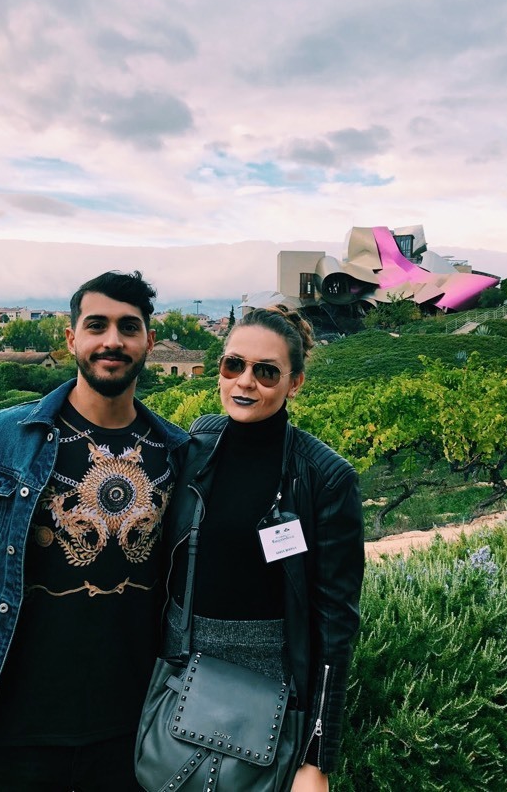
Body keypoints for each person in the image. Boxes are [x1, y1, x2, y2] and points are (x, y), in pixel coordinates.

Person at [0, 271, 188, 792]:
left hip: (136, 733)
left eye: (128, 327)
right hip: (13, 730)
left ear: (149, 342)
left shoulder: (178, 455)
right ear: (72, 338)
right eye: (97, 325)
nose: (112, 340)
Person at [162, 306, 364, 792]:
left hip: (270, 697)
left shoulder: (325, 477)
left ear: (294, 383)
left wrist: (317, 759)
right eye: (233, 365)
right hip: (179, 676)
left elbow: (335, 624)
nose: (244, 382)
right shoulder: (197, 445)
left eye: (266, 371)